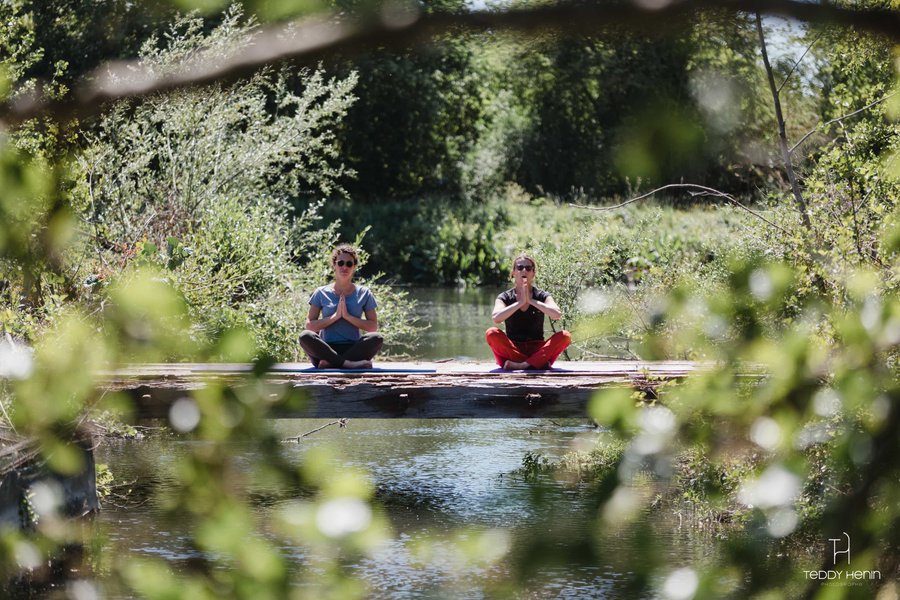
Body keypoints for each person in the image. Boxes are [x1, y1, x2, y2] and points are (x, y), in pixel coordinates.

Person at [298, 244, 383, 369]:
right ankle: (347, 364)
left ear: (354, 267)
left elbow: (373, 326)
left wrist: (347, 316)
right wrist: (335, 316)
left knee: (377, 338)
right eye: (340, 263)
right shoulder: (321, 292)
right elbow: (310, 326)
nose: (344, 267)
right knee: (305, 336)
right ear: (334, 265)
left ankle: (333, 363)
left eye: (349, 264)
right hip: (325, 350)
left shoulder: (364, 293)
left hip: (354, 349)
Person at [485, 254, 571, 370]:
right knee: (491, 333)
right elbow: (496, 318)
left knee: (565, 336)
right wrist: (520, 303)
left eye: (528, 268)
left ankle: (523, 365)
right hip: (513, 349)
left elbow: (557, 314)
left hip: (537, 349)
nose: (524, 270)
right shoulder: (505, 297)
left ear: (533, 273)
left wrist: (531, 301)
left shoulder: (542, 295)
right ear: (513, 272)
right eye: (520, 267)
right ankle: (536, 363)